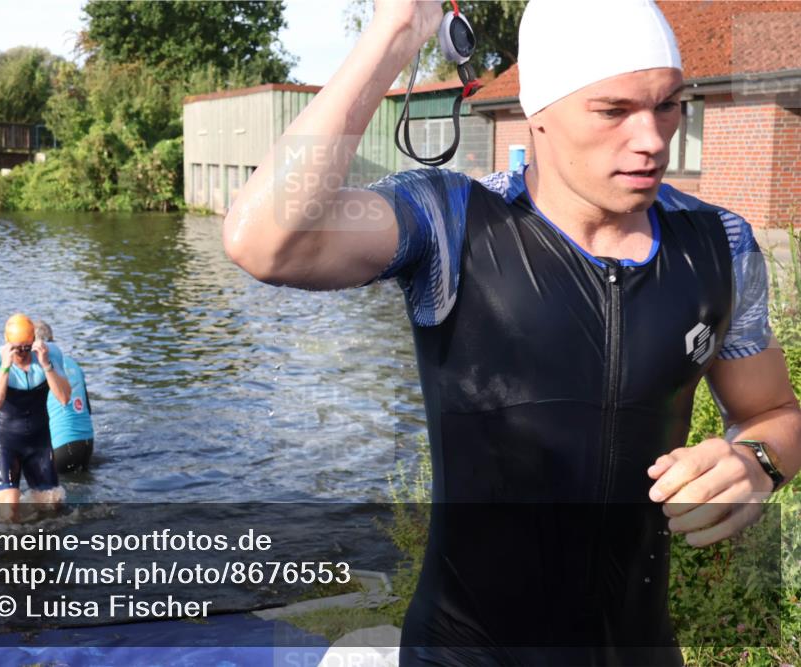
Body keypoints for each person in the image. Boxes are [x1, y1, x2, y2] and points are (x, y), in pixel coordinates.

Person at [224, 0, 800, 664]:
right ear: (540, 115)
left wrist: (755, 462)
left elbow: (773, 413)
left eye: (668, 105)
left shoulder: (720, 246)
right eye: (613, 112)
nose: (651, 140)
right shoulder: (450, 223)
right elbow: (264, 240)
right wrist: (396, 32)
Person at [0, 314, 70, 517]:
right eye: (17, 348)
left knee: (52, 511)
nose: (22, 353)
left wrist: (46, 365)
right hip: (6, 441)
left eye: (27, 347)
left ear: (34, 341)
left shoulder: (50, 353)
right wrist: (5, 367)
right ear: (7, 342)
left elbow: (64, 398)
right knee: (10, 513)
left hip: (39, 441)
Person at [33, 321, 95, 473]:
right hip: (87, 444)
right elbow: (88, 408)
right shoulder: (73, 364)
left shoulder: (38, 368)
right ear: (52, 338)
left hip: (61, 447)